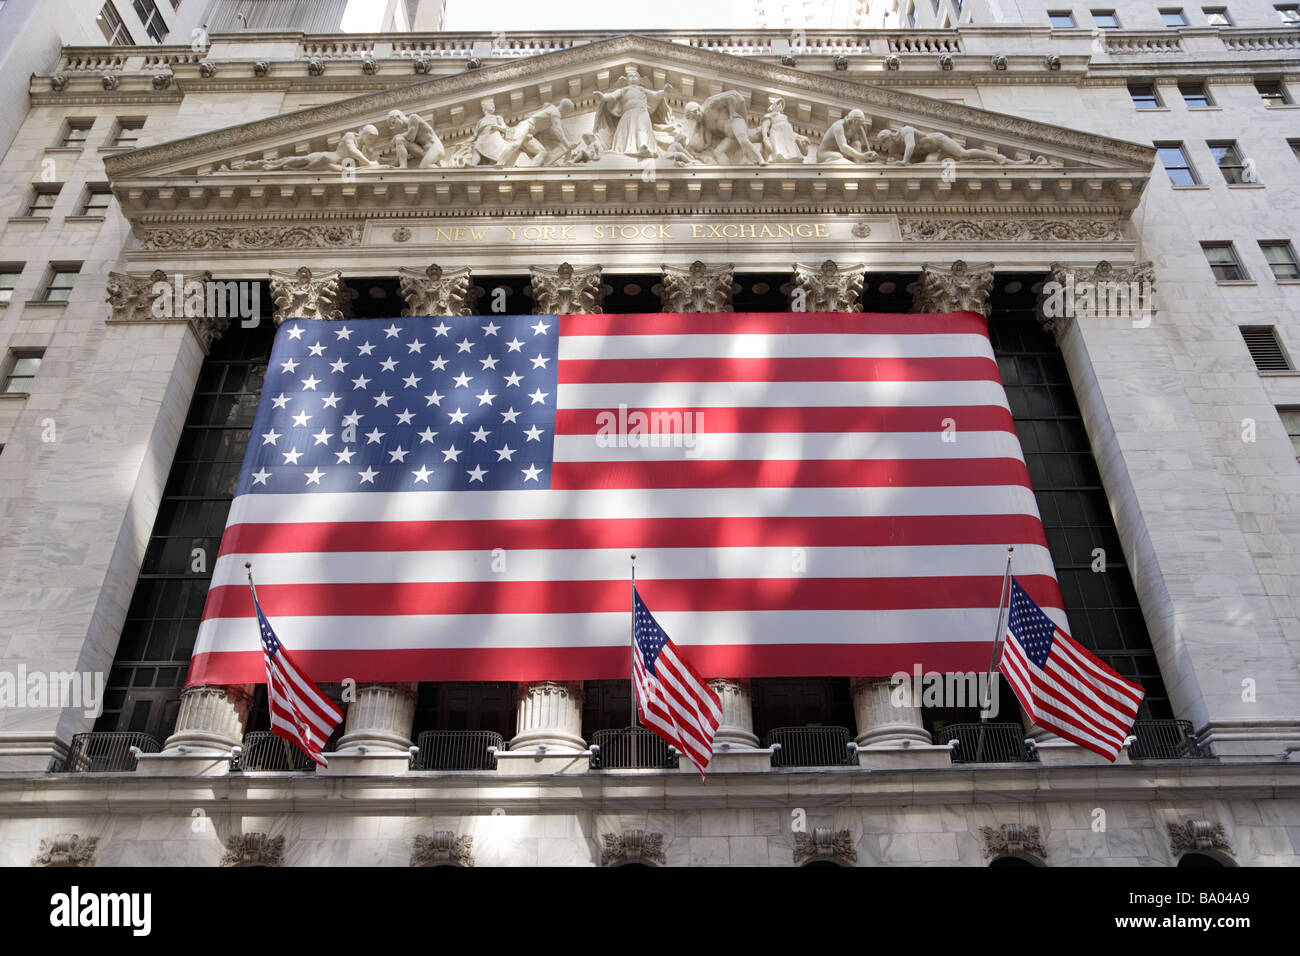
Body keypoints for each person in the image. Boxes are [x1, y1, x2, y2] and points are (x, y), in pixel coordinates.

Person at [592, 66, 674, 158]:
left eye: (636, 76)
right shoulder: (624, 90)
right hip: (628, 114)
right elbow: (612, 96)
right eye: (631, 76)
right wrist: (602, 97)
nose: (633, 77)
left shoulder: (642, 89)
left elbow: (655, 95)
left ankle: (643, 146)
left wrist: (665, 91)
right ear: (627, 80)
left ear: (639, 80)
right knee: (626, 132)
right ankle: (626, 149)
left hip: (641, 112)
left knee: (642, 129)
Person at [806, 109, 875, 164]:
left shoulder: (853, 128)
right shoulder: (839, 127)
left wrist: (869, 155)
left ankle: (858, 167)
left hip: (840, 152)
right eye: (859, 124)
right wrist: (861, 156)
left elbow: (857, 145)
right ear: (854, 122)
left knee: (856, 143)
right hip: (824, 153)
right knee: (838, 156)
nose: (859, 127)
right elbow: (843, 147)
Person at [759, 96, 809, 163]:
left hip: (787, 136)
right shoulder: (770, 116)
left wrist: (801, 137)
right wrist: (765, 138)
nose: (780, 105)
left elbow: (791, 133)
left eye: (781, 104)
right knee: (779, 153)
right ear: (773, 106)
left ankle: (790, 157)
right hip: (777, 133)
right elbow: (765, 126)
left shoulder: (784, 118)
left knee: (790, 151)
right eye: (778, 103)